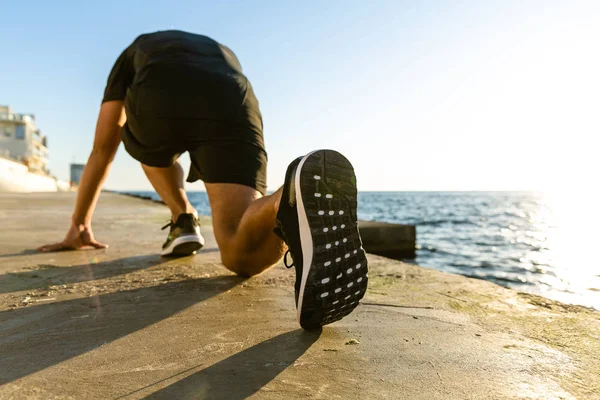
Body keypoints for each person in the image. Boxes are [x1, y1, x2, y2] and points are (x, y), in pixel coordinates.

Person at [37, 30, 368, 329]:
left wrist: (80, 223)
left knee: (151, 153)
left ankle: (182, 215)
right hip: (232, 95)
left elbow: (103, 147)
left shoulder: (136, 50)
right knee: (241, 251)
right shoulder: (216, 50)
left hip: (158, 92)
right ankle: (290, 195)